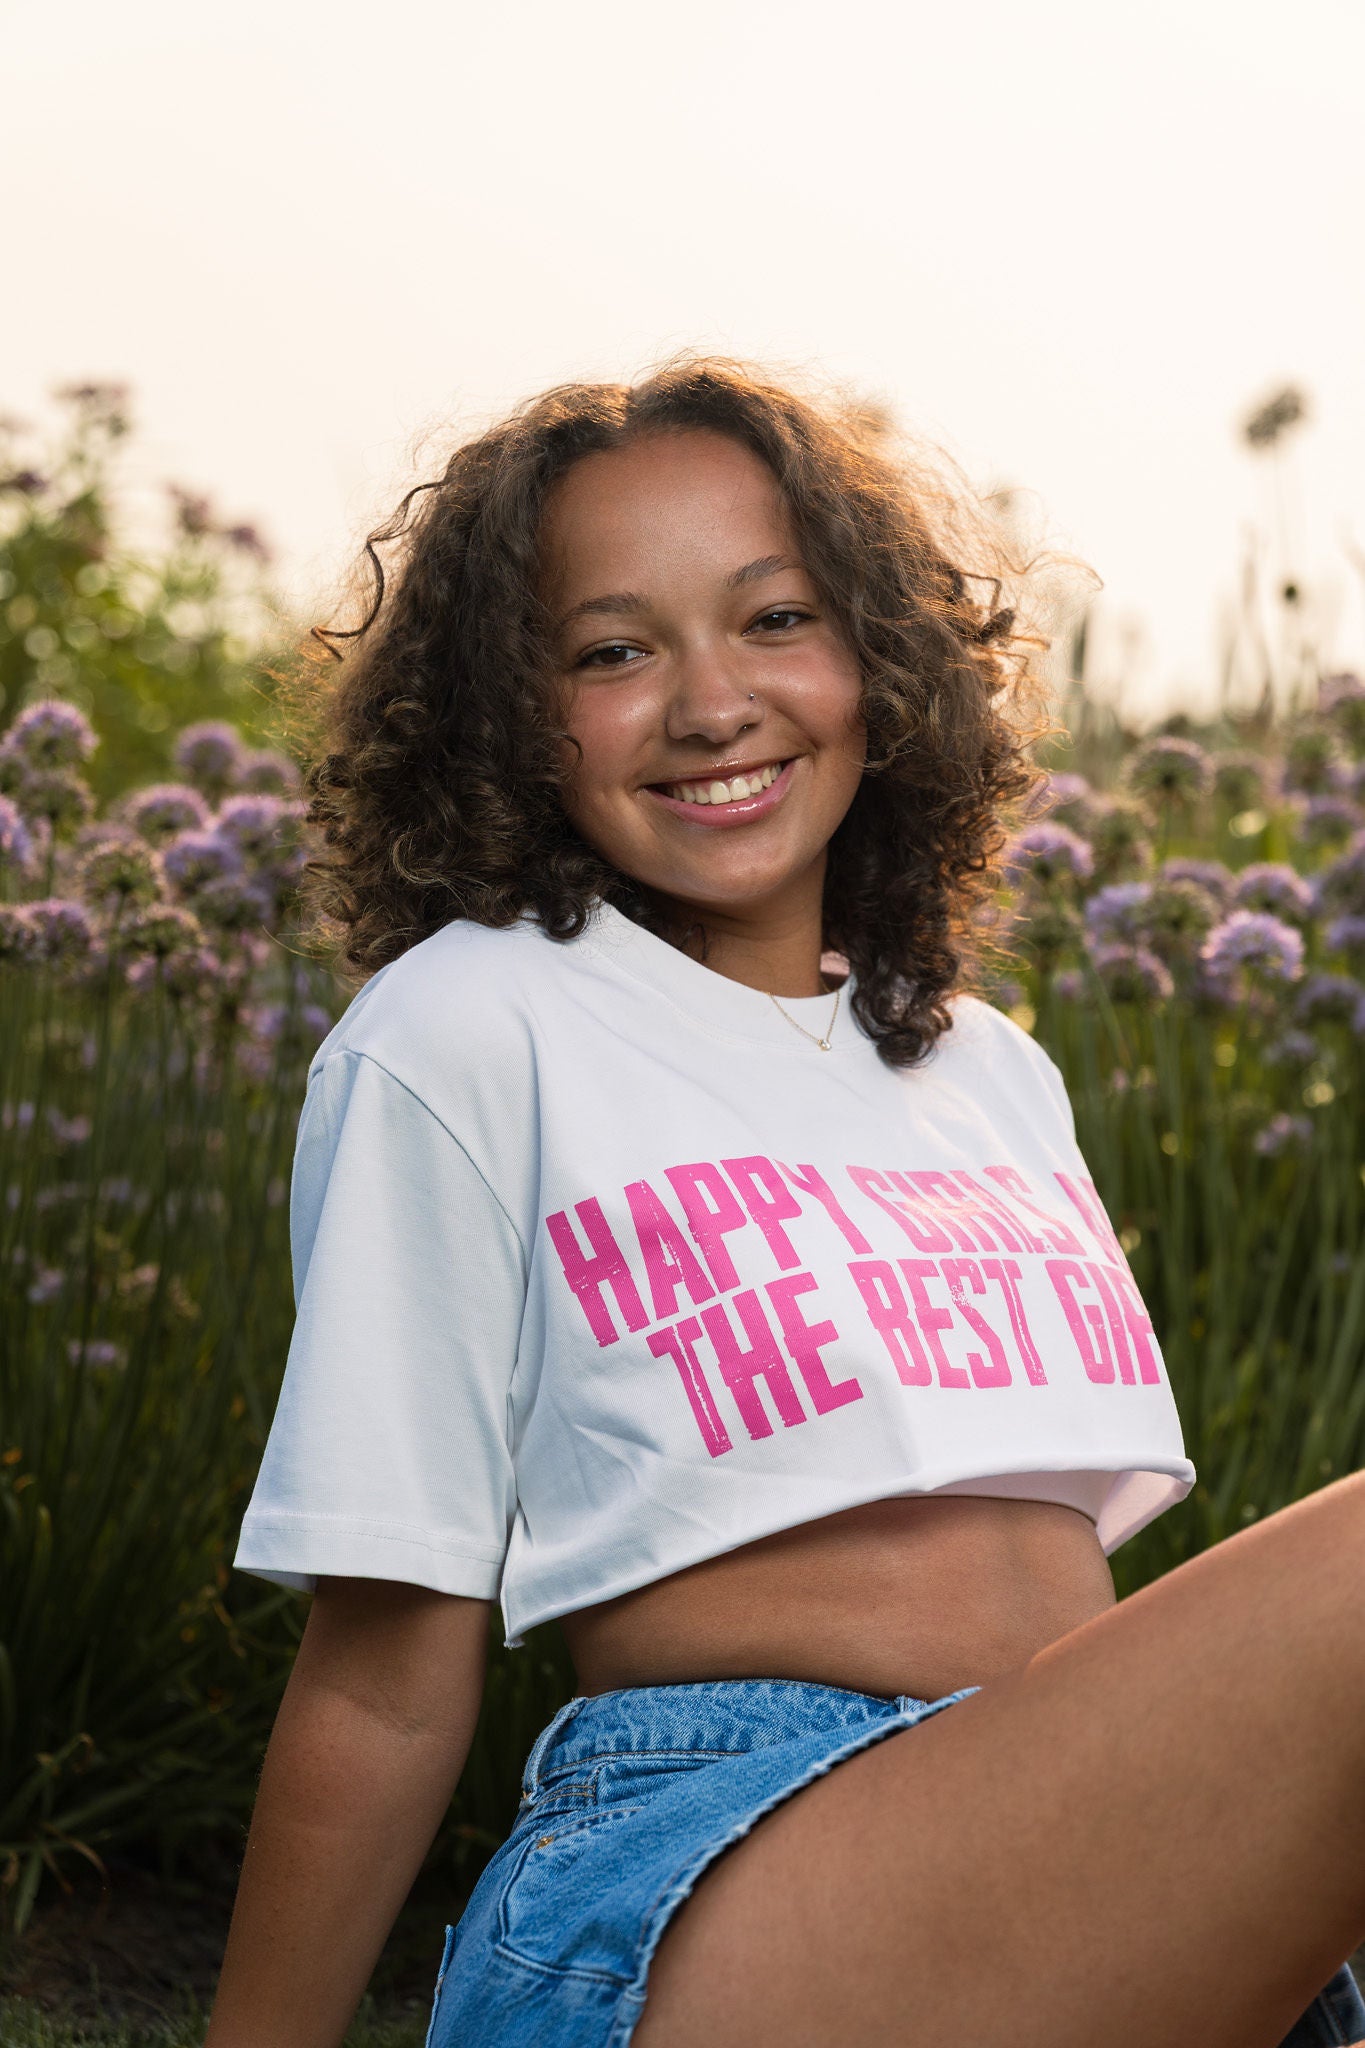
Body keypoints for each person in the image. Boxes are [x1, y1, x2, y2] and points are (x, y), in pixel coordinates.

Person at [205, 358, 1365, 2048]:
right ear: (508, 715)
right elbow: (383, 1677)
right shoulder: (467, 1028)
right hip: (707, 1852)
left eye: (775, 620)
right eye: (612, 652)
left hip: (1061, 1859)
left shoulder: (988, 1071)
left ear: (878, 664)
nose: (709, 702)